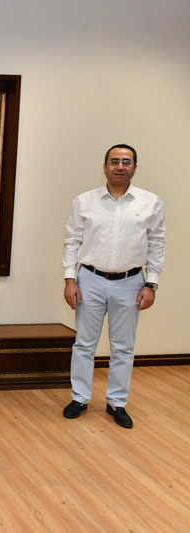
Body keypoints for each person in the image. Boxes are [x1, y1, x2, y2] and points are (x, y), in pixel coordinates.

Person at [62, 144, 165, 429]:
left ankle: (117, 402)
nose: (120, 166)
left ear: (135, 167)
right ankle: (79, 398)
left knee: (123, 347)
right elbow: (72, 241)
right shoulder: (84, 201)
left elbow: (157, 244)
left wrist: (151, 283)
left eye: (126, 162)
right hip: (89, 280)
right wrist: (70, 279)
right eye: (115, 161)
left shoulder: (150, 202)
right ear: (105, 166)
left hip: (131, 283)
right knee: (84, 344)